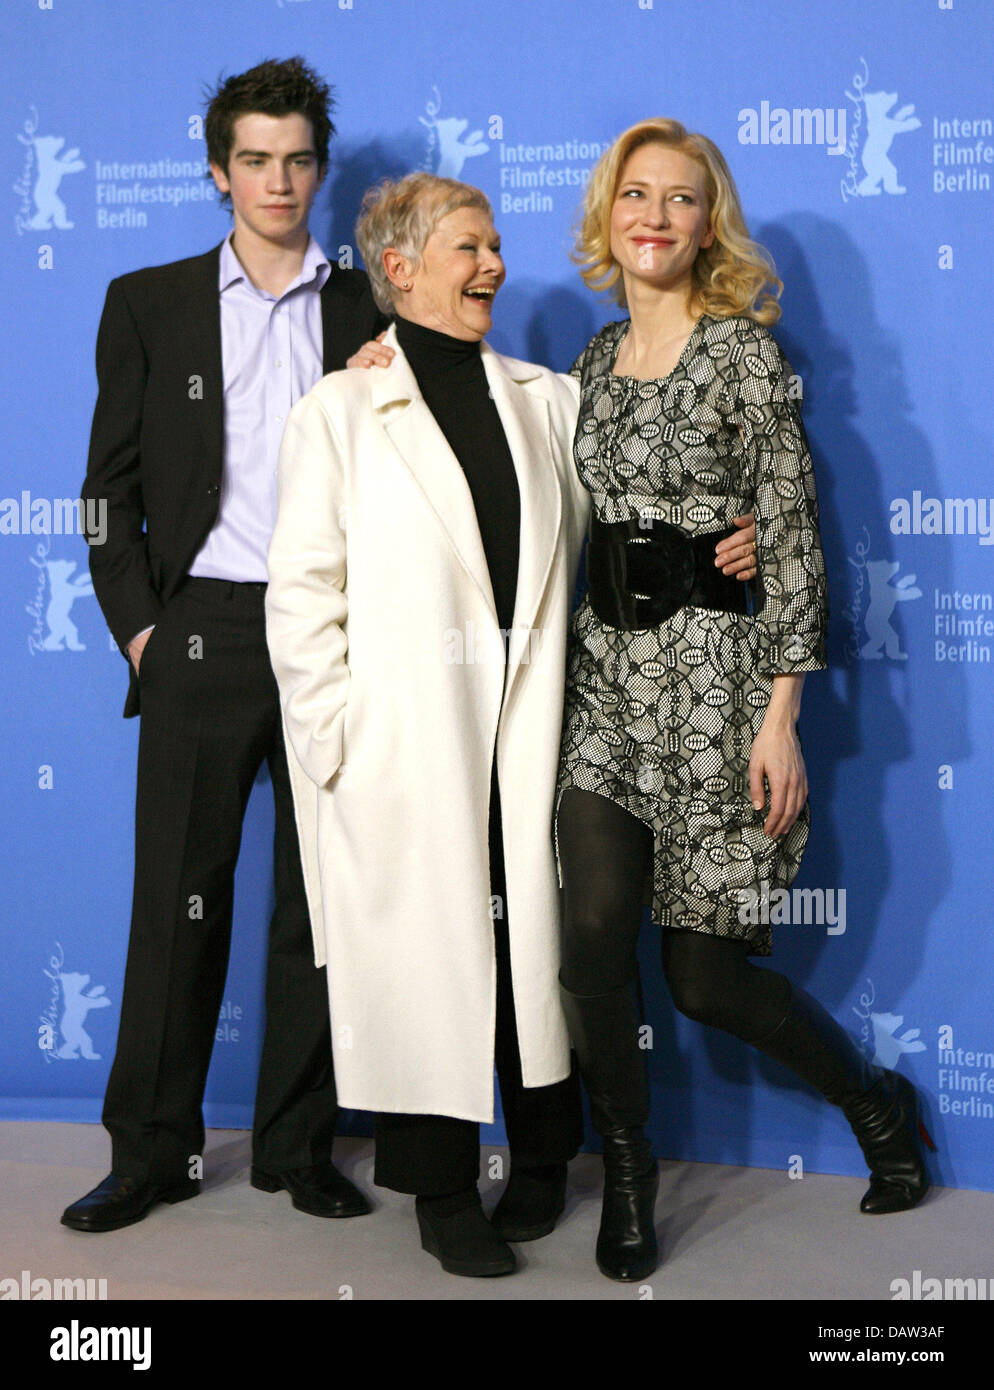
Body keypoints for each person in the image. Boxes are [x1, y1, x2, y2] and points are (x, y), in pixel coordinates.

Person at [555, 118, 933, 1282]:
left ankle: (875, 1104)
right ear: (607, 216)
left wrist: (782, 719)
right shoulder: (584, 365)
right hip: (607, 692)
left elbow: (797, 532)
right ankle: (627, 1172)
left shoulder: (745, 356)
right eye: (636, 195)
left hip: (720, 699)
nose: (655, 217)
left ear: (705, 220)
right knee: (588, 939)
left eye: (679, 198)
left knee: (705, 980)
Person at [64, 57, 387, 1235]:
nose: (278, 181)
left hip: (335, 638)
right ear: (218, 172)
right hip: (198, 628)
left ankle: (301, 1146)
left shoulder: (369, 306)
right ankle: (150, 1152)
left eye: (298, 159)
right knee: (176, 903)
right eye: (255, 160)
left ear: (320, 168)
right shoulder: (145, 301)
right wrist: (142, 629)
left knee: (320, 906)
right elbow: (105, 496)